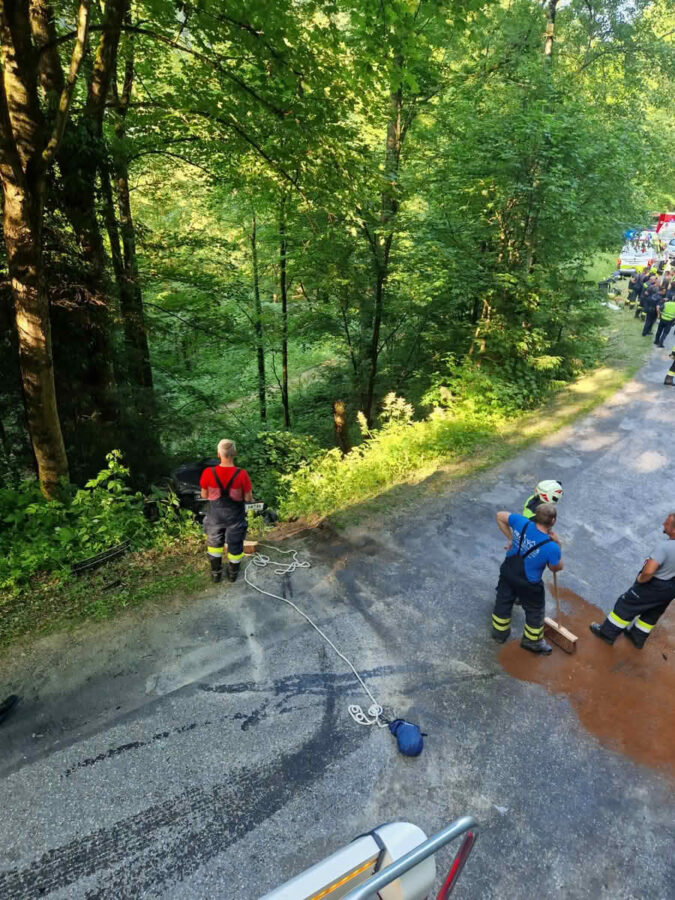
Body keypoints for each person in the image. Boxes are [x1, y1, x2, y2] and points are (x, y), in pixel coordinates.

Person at [590, 513, 675, 649]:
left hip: (655, 585)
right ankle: (637, 637)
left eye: (667, 523)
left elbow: (648, 571)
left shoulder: (664, 547)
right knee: (652, 613)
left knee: (626, 605)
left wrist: (641, 579)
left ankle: (607, 634)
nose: (663, 524)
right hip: (671, 588)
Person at [492, 504, 563, 654]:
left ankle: (499, 634)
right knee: (535, 611)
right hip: (528, 583)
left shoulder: (521, 522)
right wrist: (558, 543)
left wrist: (510, 538)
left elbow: (500, 516)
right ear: (553, 521)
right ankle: (532, 641)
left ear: (536, 516)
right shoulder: (551, 546)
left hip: (508, 571)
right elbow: (555, 568)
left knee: (503, 600)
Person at [199, 439, 253, 583]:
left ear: (218, 454)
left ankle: (216, 573)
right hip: (235, 517)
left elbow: (204, 495)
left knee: (214, 544)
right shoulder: (242, 474)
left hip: (215, 516)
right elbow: (248, 498)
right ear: (234, 453)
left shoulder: (208, 472)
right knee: (235, 544)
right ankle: (233, 574)